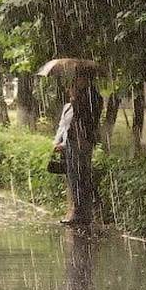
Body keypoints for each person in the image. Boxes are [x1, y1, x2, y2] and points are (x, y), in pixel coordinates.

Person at [52, 72, 102, 225]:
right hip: (75, 142)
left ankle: (81, 212)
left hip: (82, 142)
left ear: (85, 80)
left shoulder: (90, 98)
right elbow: (68, 125)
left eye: (76, 82)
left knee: (79, 177)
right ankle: (79, 210)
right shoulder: (82, 99)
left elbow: (83, 122)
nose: (72, 87)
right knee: (75, 177)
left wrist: (76, 102)